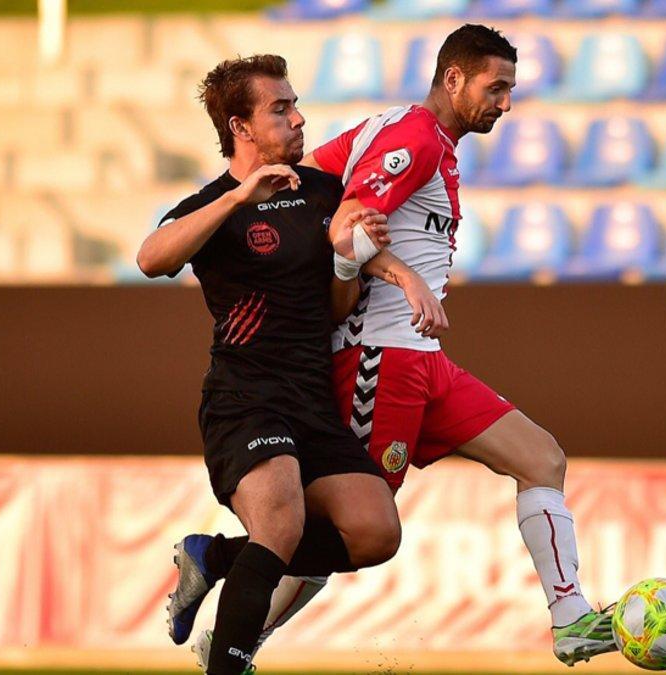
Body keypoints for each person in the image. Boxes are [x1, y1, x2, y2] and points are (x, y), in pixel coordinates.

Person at [191, 25, 617, 670]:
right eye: (494, 87)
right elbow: (345, 228)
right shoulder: (413, 138)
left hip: (424, 360)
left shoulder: (410, 136)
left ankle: (571, 621)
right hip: (376, 357)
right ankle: (226, 637)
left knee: (542, 459)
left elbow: (316, 184)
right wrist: (399, 272)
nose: (504, 103)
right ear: (453, 79)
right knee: (355, 529)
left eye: (509, 89)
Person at [136, 54, 444, 675]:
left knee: (376, 533)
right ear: (240, 127)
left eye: (295, 103)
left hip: (313, 401)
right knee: (280, 520)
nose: (299, 118)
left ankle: (216, 559)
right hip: (246, 397)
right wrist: (240, 197)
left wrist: (387, 271)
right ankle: (227, 666)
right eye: (281, 108)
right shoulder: (213, 205)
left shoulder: (322, 192)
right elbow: (151, 258)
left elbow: (341, 298)